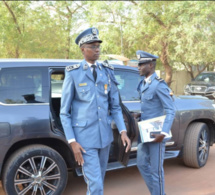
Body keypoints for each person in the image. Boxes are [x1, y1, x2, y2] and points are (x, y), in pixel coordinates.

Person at [60, 27, 131, 195]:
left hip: (104, 138)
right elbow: (64, 112)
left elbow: (114, 106)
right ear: (83, 49)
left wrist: (122, 130)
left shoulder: (107, 72)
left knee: (98, 180)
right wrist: (72, 142)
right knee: (96, 184)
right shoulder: (73, 74)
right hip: (84, 140)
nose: (97, 49)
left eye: (98, 45)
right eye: (92, 46)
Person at [134, 50, 175, 195]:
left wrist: (163, 133)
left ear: (150, 65)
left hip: (157, 134)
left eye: (141, 64)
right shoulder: (143, 83)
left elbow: (170, 110)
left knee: (156, 170)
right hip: (145, 131)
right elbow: (150, 106)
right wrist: (140, 114)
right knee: (141, 164)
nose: (138, 67)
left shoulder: (159, 85)